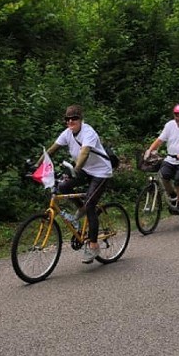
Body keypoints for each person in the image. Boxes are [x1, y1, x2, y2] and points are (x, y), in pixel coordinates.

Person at [44, 105, 113, 264]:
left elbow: (84, 152)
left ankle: (94, 246)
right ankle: (81, 207)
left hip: (101, 172)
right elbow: (52, 150)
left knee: (90, 206)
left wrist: (75, 169)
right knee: (63, 187)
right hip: (85, 169)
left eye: (74, 118)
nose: (70, 121)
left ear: (81, 119)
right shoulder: (67, 133)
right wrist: (37, 166)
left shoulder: (88, 132)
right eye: (67, 119)